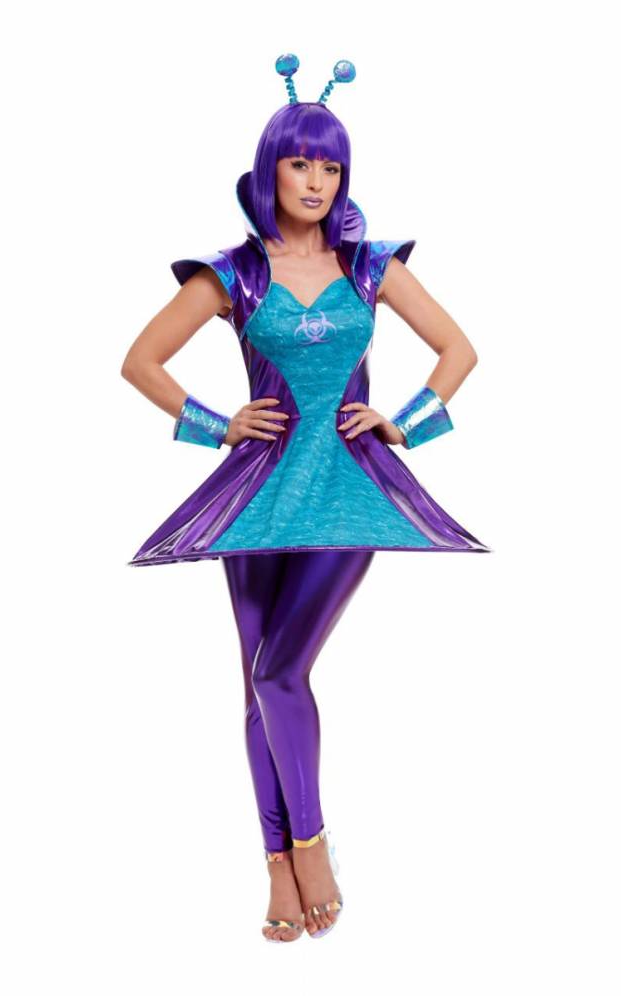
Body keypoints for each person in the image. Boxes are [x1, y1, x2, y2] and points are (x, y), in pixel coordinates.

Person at [121, 54, 492, 943]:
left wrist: (404, 423)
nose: (317, 181)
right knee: (254, 682)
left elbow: (460, 351)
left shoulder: (371, 266)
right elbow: (139, 362)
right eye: (300, 164)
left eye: (331, 166)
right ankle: (278, 867)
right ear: (271, 170)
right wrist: (218, 425)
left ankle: (312, 846)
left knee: (279, 670)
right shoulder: (233, 274)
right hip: (257, 495)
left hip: (348, 492)